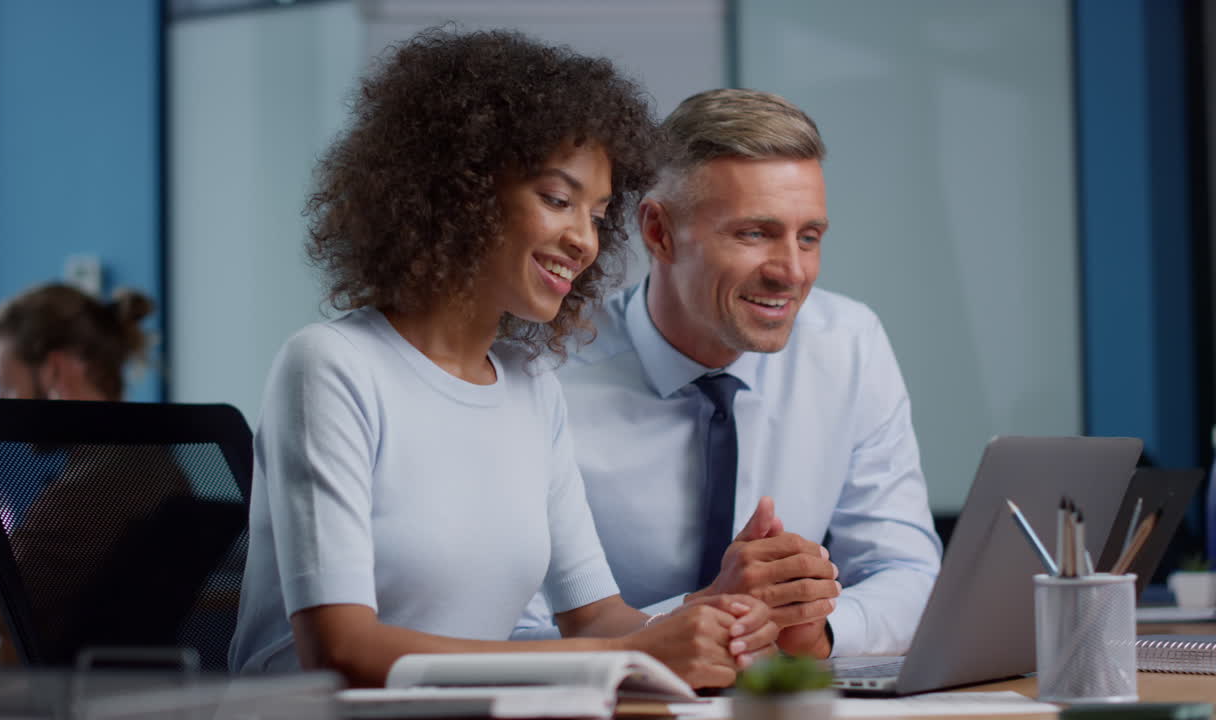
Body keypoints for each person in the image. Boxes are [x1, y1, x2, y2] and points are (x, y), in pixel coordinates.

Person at [227, 29, 778, 689]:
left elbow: (595, 618)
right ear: (461, 189)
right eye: (557, 199)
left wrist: (716, 618)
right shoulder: (330, 366)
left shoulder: (529, 384)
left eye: (599, 216)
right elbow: (341, 651)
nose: (583, 240)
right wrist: (633, 657)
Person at [514, 89, 942, 659]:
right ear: (660, 233)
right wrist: (707, 612)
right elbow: (509, 633)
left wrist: (819, 633)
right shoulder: (542, 373)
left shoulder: (849, 344)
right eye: (754, 233)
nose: (791, 272)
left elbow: (907, 568)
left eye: (809, 237)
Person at [0, 282, 163, 663]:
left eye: (6, 389)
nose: (1, 407)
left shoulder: (99, 486)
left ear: (54, 370)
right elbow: (14, 569)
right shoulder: (146, 464)